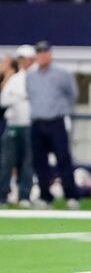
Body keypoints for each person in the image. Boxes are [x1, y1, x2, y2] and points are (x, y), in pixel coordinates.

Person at [26, 40, 80, 209]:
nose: (42, 56)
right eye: (39, 53)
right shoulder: (30, 76)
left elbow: (73, 95)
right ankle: (45, 196)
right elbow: (30, 96)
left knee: (63, 159)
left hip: (56, 122)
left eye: (45, 52)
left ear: (50, 54)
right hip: (37, 122)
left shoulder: (62, 74)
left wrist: (61, 109)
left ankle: (71, 196)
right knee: (39, 161)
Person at [0, 45, 35, 207]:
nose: (25, 62)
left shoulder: (37, 77)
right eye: (22, 59)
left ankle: (24, 196)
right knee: (6, 161)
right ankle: (2, 195)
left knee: (28, 162)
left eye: (27, 59)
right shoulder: (15, 78)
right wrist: (20, 98)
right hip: (13, 124)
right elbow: (4, 100)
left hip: (30, 125)